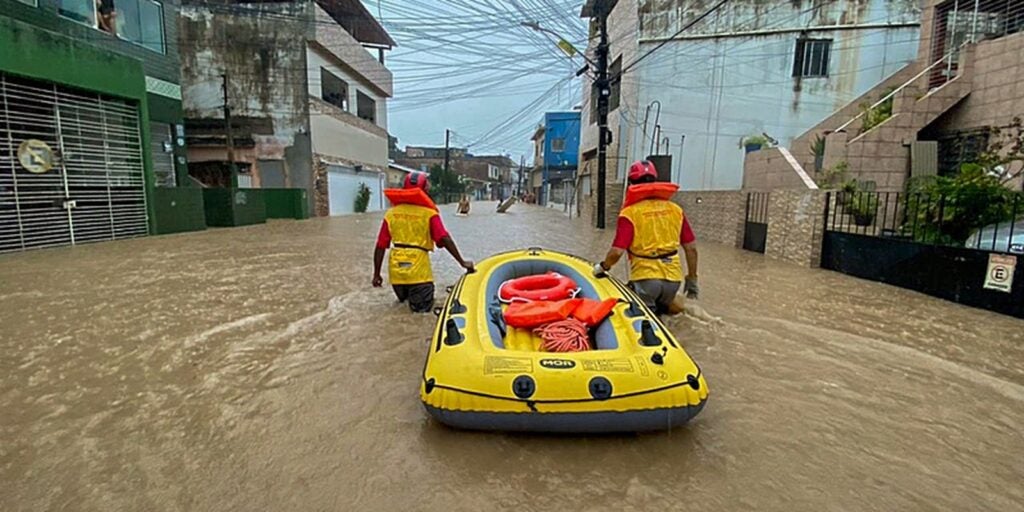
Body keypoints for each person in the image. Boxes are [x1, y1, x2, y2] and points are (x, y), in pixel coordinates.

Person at [593, 160, 699, 315]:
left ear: (631, 183)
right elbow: (692, 249)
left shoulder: (630, 213)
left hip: (645, 280)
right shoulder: (676, 210)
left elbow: (616, 252)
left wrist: (603, 267)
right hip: (673, 281)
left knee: (643, 321)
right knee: (664, 315)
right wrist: (692, 279)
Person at [372, 172, 474, 312]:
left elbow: (380, 245)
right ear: (425, 190)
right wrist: (462, 262)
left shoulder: (391, 214)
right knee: (421, 315)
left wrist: (376, 274)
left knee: (403, 311)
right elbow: (444, 238)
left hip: (396, 273)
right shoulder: (429, 214)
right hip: (418, 272)